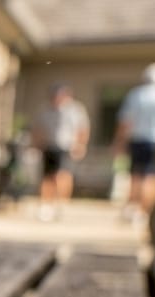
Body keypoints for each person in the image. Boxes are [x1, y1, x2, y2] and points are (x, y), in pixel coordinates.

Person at [113, 62, 155, 227]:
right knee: (152, 176)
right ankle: (144, 211)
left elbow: (126, 121)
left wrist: (119, 142)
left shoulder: (136, 94)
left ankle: (132, 208)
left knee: (136, 174)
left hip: (138, 139)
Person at [33, 83, 90, 221]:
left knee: (63, 175)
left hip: (67, 147)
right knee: (47, 176)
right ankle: (46, 205)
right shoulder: (45, 110)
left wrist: (81, 145)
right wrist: (36, 144)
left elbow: (82, 129)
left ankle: (61, 204)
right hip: (49, 146)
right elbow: (38, 129)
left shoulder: (75, 109)